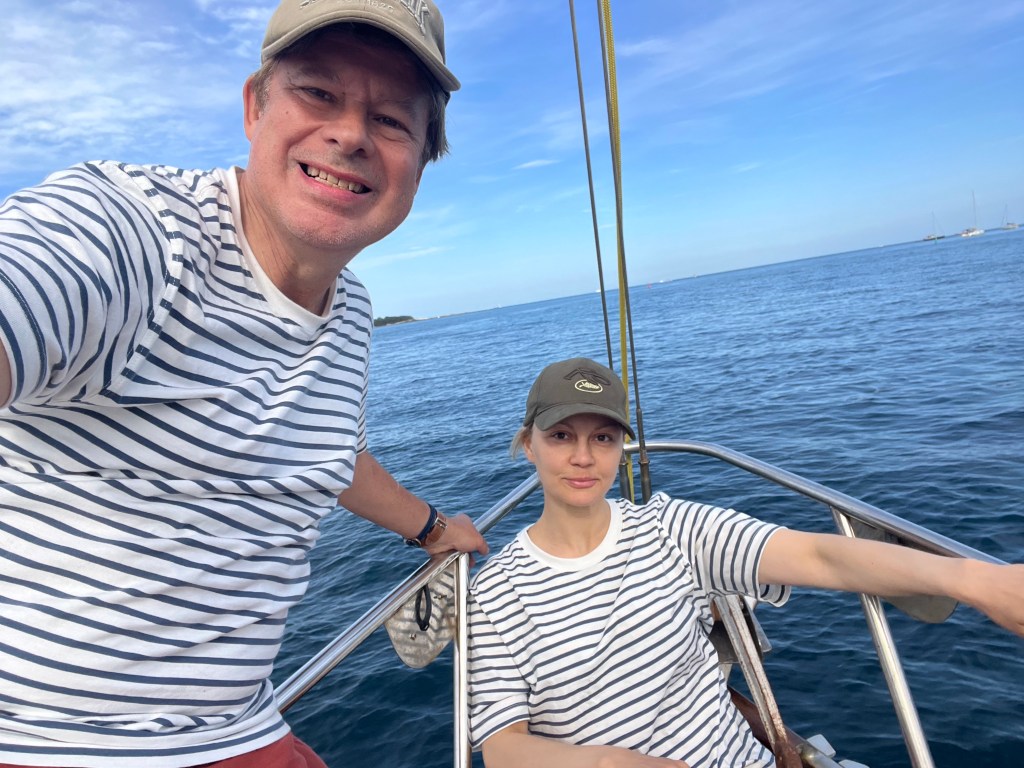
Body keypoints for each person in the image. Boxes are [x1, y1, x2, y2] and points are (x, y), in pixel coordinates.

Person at [0, 1, 486, 766]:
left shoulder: (348, 310)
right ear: (255, 106)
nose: (351, 135)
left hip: (236, 727)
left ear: (421, 163)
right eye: (318, 92)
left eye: (392, 120)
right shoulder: (131, 231)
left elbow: (333, 456)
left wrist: (431, 529)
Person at [467, 357, 1024, 768]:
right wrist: (608, 763)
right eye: (561, 436)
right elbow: (503, 747)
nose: (583, 457)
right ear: (529, 444)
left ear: (621, 449)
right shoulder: (495, 593)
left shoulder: (670, 528)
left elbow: (818, 554)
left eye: (604, 437)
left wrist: (975, 579)